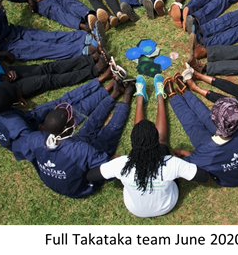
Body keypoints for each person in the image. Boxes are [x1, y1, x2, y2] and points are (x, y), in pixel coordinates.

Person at [86, 75, 209, 218]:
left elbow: (91, 176)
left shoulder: (121, 164)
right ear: (154, 140)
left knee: (147, 137)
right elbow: (204, 177)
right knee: (163, 142)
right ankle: (160, 98)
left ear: (132, 141)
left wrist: (113, 162)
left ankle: (140, 99)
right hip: (166, 205)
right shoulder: (171, 163)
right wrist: (187, 154)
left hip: (134, 208)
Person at [11, 78, 136, 199]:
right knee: (108, 135)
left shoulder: (35, 138)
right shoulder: (80, 150)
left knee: (89, 126)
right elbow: (108, 168)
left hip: (55, 176)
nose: (74, 122)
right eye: (72, 121)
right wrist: (115, 160)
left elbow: (20, 149)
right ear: (66, 128)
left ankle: (114, 94)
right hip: (80, 187)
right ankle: (127, 97)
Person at [165, 74, 238, 187]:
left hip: (228, 177)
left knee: (193, 127)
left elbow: (186, 166)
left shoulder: (206, 152)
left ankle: (178, 95)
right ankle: (183, 93)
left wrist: (183, 152)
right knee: (198, 123)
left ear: (214, 120)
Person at [0, 78, 115, 158]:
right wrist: (44, 132)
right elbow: (31, 148)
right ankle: (108, 90)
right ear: (12, 106)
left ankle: (100, 81)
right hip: (34, 131)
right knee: (73, 113)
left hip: (28, 118)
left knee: (63, 101)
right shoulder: (18, 127)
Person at [0, 25, 111, 99]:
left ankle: (89, 59)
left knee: (46, 68)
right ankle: (95, 70)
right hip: (4, 91)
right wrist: (7, 86)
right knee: (48, 80)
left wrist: (6, 70)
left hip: (3, 76)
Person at [0, 0, 102, 62]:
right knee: (41, 48)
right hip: (6, 45)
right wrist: (3, 55)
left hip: (14, 32)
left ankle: (85, 37)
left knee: (48, 36)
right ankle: (82, 50)